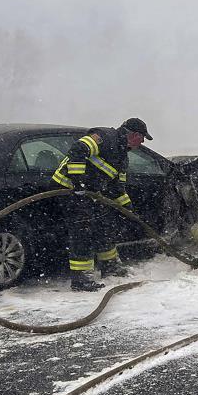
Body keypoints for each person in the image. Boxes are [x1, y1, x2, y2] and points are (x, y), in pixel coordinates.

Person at [51, 118, 152, 291]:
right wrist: (79, 183)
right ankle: (81, 279)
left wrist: (128, 209)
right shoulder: (105, 137)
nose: (142, 142)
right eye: (142, 138)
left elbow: (117, 188)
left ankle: (110, 267)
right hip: (67, 189)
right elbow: (78, 149)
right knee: (83, 230)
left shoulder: (122, 158)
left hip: (90, 194)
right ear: (134, 135)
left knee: (104, 226)